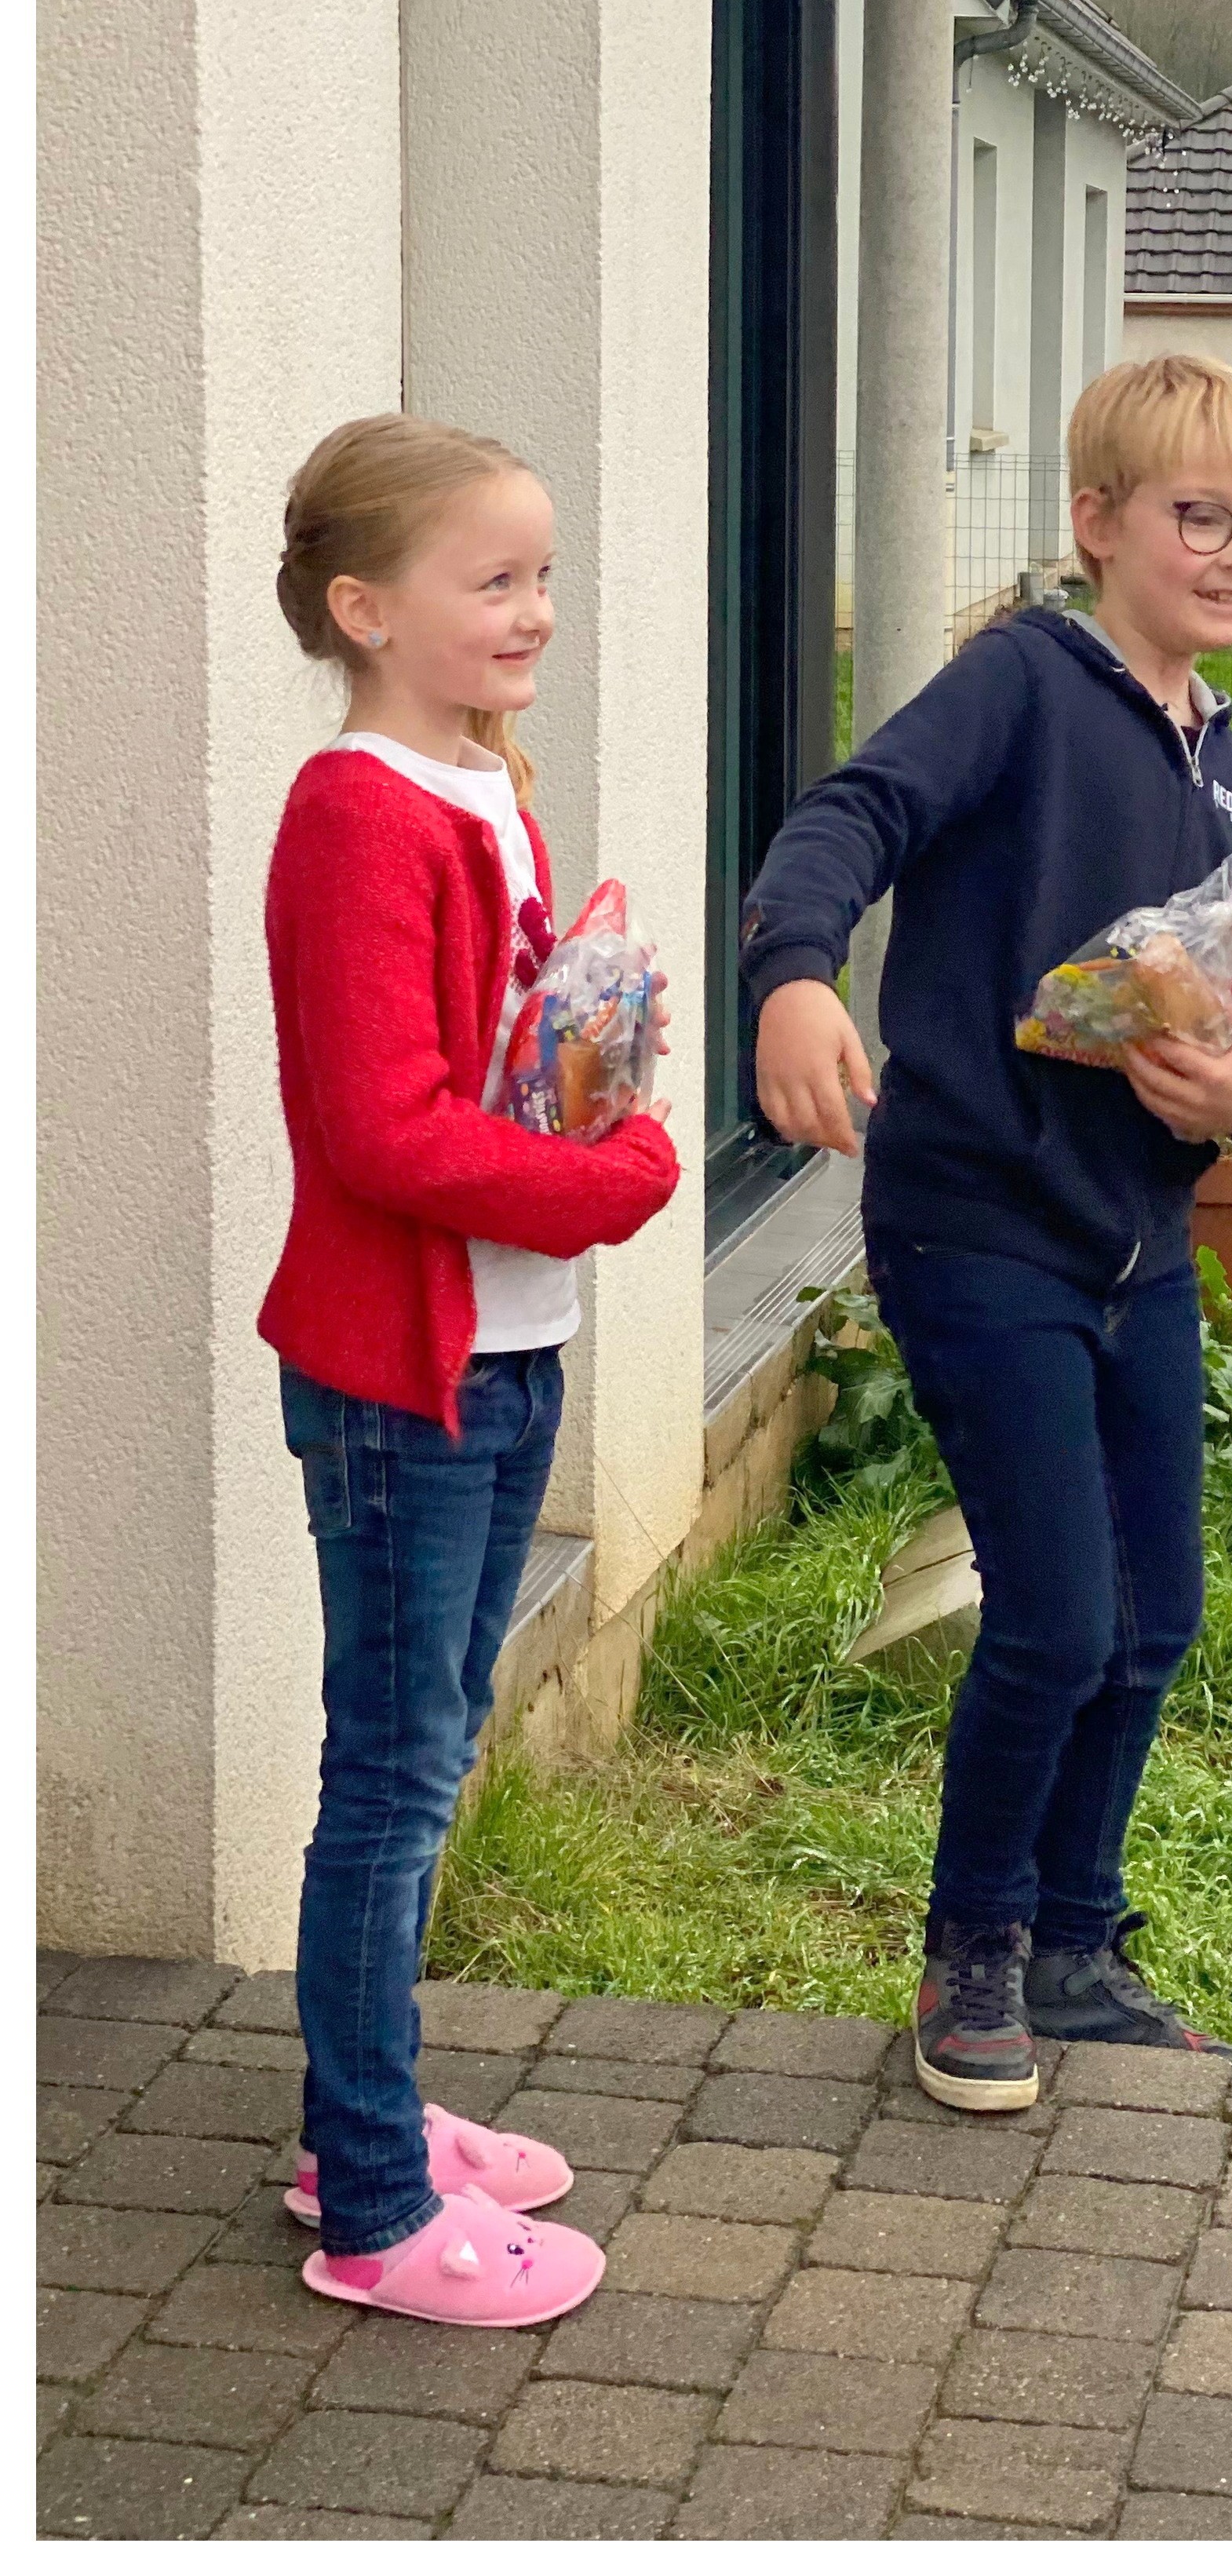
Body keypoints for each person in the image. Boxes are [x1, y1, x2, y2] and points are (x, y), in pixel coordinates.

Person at [747, 354, 1232, 2108]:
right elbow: (854, 815)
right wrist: (792, 975)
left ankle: (1078, 1943)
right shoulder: (1018, 684)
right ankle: (972, 1949)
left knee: (1155, 1616)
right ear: (1096, 523)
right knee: (1058, 1618)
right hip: (974, 1220)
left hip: (1140, 1242)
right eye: (1197, 516)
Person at [263, 414, 680, 2323]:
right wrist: (609, 1176)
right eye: (490, 579)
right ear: (366, 608)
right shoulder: (356, 810)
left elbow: (499, 1051)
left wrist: (594, 1067)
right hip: (406, 1384)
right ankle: (367, 2201)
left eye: (540, 576)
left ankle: (367, 2108)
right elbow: (380, 1130)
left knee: (424, 1749)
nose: (531, 610)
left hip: (506, 1353)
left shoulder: (477, 782)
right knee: (395, 1778)